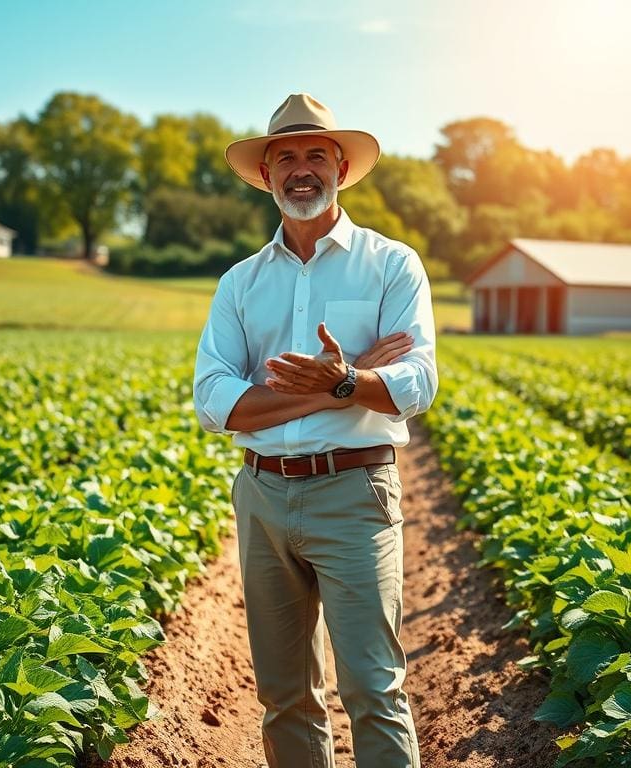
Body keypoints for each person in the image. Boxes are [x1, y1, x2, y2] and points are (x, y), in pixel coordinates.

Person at [192, 92, 438, 768]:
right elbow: (215, 402)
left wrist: (337, 383)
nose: (302, 169)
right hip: (263, 497)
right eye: (287, 157)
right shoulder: (239, 284)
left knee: (372, 688)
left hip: (355, 492)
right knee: (285, 698)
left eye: (315, 155)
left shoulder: (391, 264)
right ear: (267, 175)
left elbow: (416, 384)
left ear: (341, 167)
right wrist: (348, 384)